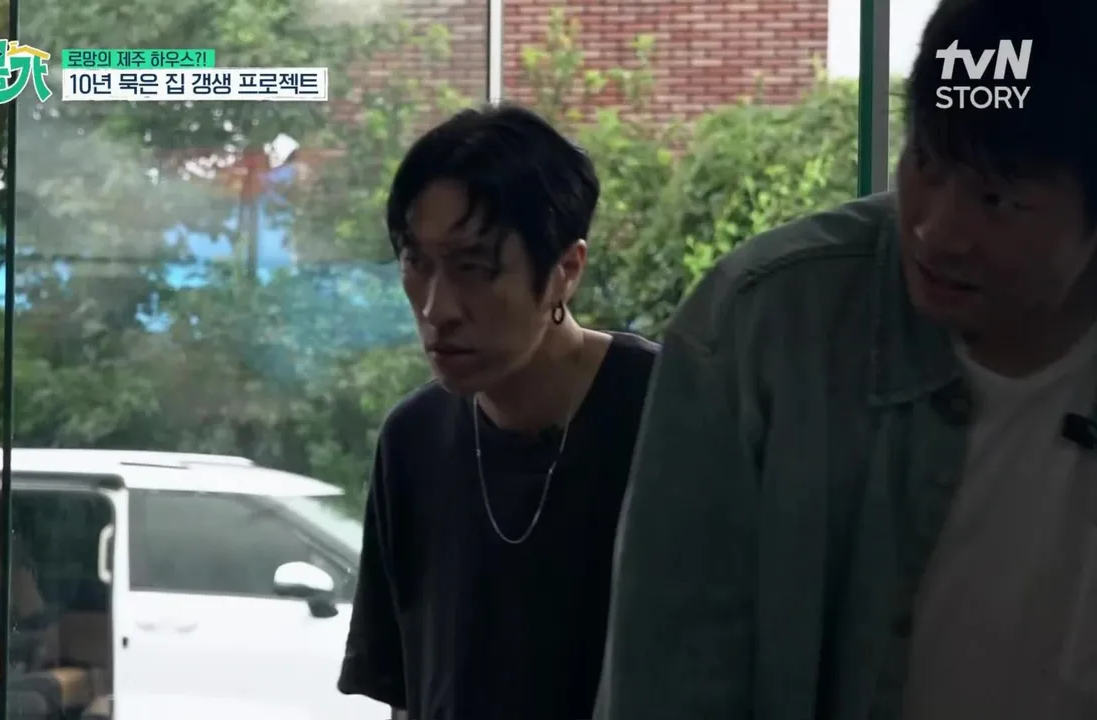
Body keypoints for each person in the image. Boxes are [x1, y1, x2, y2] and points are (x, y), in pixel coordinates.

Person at [596, 1, 1097, 718]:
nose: (937, 230)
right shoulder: (763, 329)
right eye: (925, 161)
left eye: (998, 199)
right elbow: (667, 681)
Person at [336, 105, 658, 719]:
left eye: (473, 268)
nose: (437, 308)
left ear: (565, 270)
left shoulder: (666, 417)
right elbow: (406, 692)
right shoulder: (413, 441)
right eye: (417, 263)